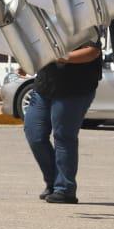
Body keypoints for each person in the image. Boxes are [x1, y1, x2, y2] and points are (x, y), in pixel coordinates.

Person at [23, 34, 103, 204]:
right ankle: (53, 182)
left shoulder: (85, 17)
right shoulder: (43, 16)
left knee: (64, 137)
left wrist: (60, 57)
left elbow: (92, 52)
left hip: (75, 87)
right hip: (45, 84)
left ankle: (65, 189)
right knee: (34, 133)